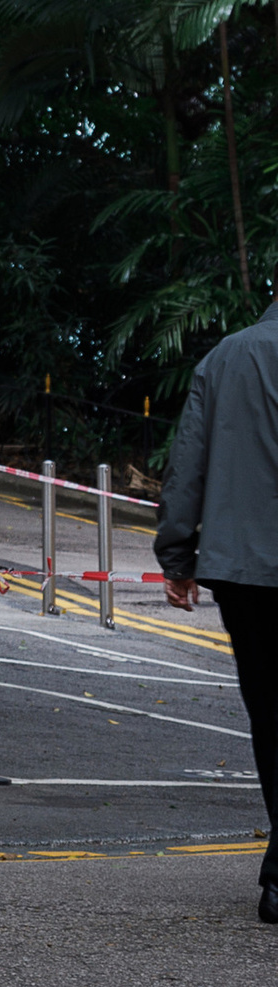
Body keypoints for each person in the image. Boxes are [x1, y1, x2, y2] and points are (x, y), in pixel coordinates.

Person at [154, 287, 278, 923]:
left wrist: (177, 557)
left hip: (244, 569)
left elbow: (189, 462)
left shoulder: (227, 358)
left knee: (269, 710)